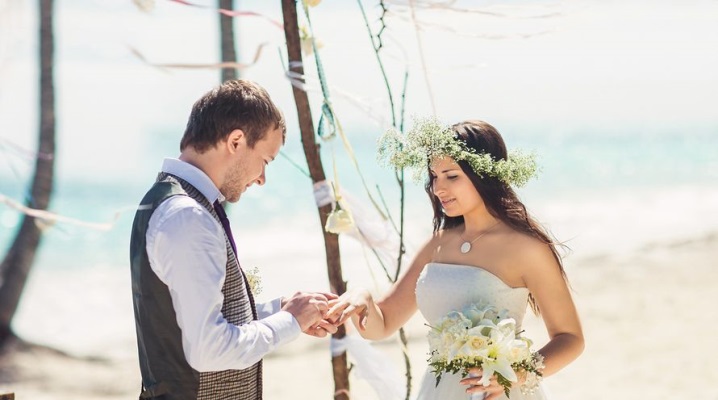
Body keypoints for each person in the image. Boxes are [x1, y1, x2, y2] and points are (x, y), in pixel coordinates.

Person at [326, 119, 584, 400]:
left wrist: (516, 373)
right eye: (434, 176)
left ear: (484, 174)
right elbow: (384, 323)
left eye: (451, 176)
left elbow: (570, 339)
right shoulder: (438, 243)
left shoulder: (526, 248)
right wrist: (363, 298)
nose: (438, 188)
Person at [129, 79, 337, 400]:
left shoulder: (173, 203)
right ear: (237, 141)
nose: (262, 179)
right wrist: (290, 321)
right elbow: (209, 350)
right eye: (265, 161)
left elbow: (192, 323)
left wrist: (280, 310)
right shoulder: (188, 217)